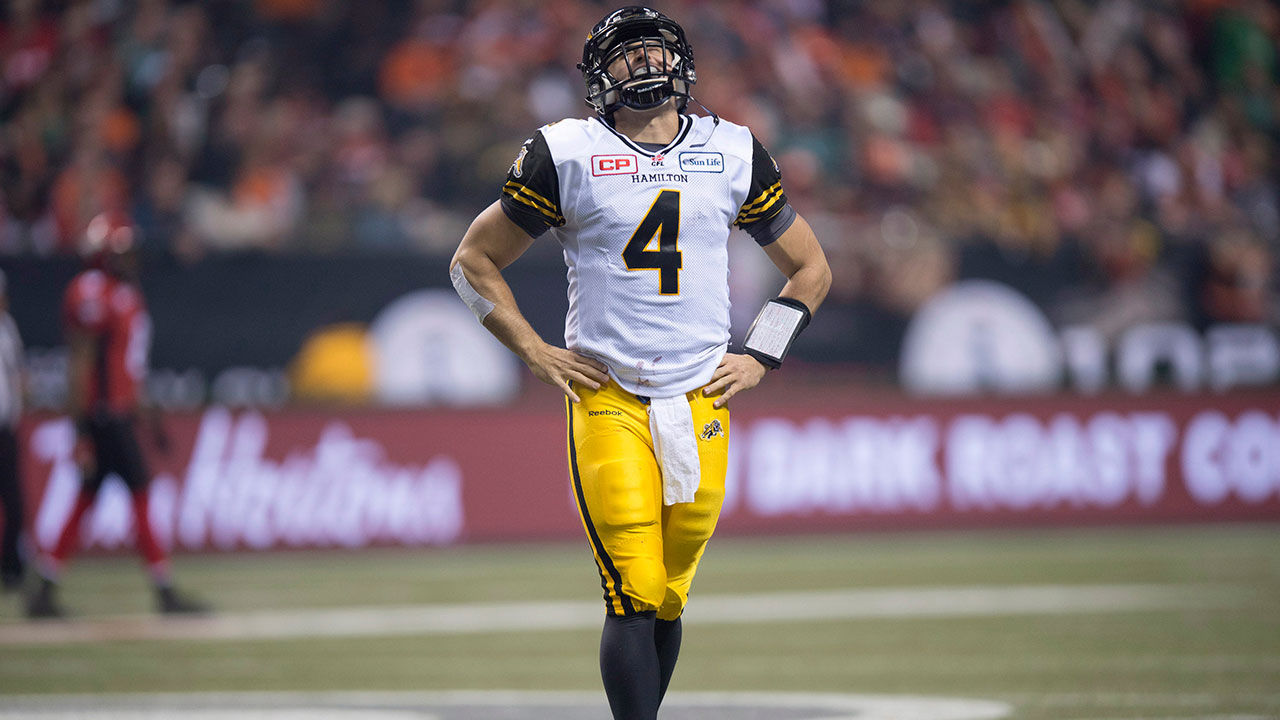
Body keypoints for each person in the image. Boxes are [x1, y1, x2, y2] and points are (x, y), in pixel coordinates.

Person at [449, 7, 831, 719]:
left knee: (669, 592)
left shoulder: (733, 150)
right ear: (599, 75)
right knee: (631, 584)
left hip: (702, 395)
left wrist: (760, 355)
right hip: (609, 393)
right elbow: (472, 261)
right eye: (626, 55)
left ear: (682, 63)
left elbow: (810, 268)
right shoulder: (566, 153)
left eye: (653, 51)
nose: (643, 65)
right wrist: (531, 349)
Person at [27, 212, 206, 618]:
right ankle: (164, 589)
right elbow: (80, 364)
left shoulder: (125, 296)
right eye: (122, 252)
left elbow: (129, 371)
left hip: (117, 413)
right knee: (140, 493)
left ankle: (45, 587)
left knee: (86, 499)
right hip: (104, 415)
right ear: (104, 255)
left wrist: (150, 417)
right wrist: (80, 429)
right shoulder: (92, 293)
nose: (130, 260)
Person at [0, 269, 27, 591]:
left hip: (4, 427)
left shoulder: (7, 329)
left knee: (14, 501)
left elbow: (18, 376)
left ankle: (11, 566)